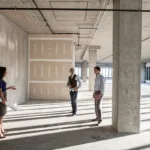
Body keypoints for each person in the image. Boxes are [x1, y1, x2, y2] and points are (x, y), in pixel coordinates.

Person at [0, 67, 16, 138]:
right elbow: (0, 91)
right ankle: (0, 132)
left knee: (1, 115)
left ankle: (1, 128)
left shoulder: (1, 80)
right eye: (5, 71)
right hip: (1, 99)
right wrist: (3, 99)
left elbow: (3, 89)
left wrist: (9, 88)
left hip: (3, 97)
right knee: (0, 115)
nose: (6, 73)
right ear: (2, 72)